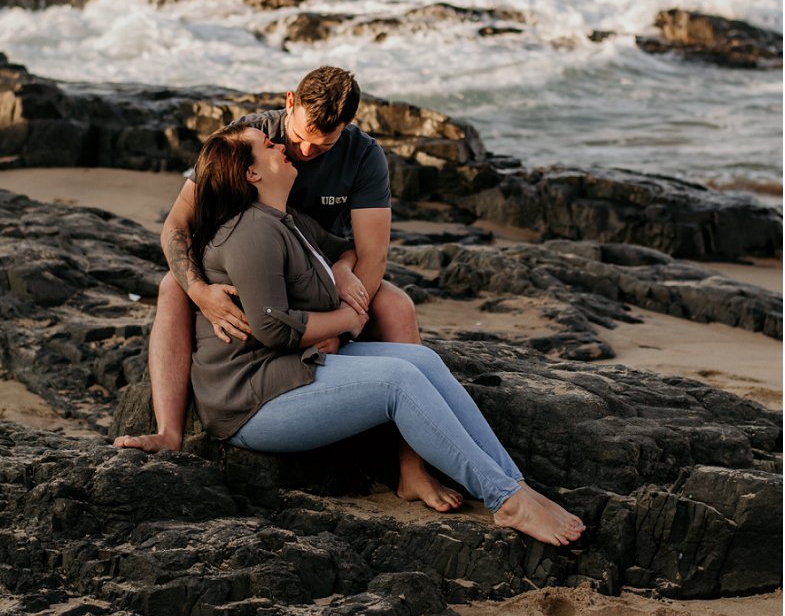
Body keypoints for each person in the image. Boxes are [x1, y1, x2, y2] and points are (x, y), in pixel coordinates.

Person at [184, 120, 585, 547]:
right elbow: (273, 329)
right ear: (252, 174)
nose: (279, 145)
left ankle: (513, 483)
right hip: (249, 401)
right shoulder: (251, 232)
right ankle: (504, 500)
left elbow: (345, 247)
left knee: (422, 360)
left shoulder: (286, 219)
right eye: (267, 146)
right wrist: (347, 320)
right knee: (399, 381)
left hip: (288, 370)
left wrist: (340, 268)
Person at [114, 66, 461, 512]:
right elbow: (174, 228)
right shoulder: (249, 138)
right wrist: (202, 292)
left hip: (320, 277)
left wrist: (341, 310)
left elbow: (373, 255)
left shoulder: (364, 156)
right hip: (243, 272)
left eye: (325, 144)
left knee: (399, 308)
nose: (306, 150)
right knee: (171, 287)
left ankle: (412, 469)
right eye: (301, 136)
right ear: (289, 102)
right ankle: (169, 432)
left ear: (348, 127)